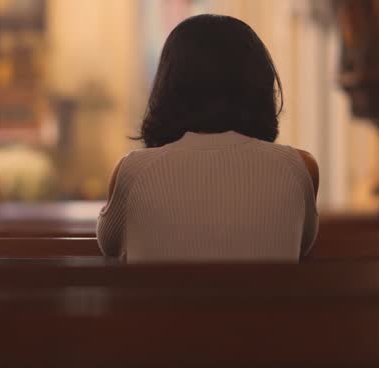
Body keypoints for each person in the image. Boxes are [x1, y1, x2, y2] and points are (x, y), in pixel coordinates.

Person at [97, 14, 319, 262]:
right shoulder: (299, 168)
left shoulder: (133, 171)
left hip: (164, 303)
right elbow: (303, 246)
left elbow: (110, 248)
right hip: (263, 303)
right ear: (260, 84)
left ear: (168, 85)